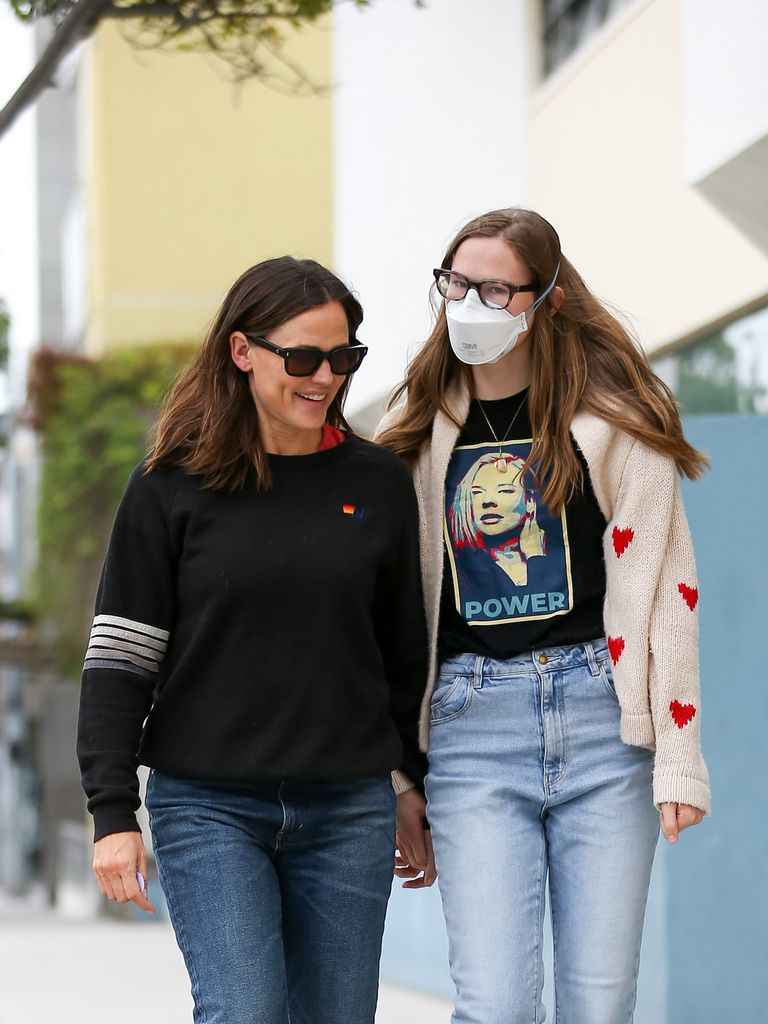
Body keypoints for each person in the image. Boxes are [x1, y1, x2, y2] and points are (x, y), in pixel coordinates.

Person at [377, 208, 710, 1023]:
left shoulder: (615, 420)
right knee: (495, 1005)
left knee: (599, 1005)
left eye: (494, 288)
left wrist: (680, 756)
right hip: (469, 725)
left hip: (604, 720)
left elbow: (670, 590)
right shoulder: (412, 429)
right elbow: (383, 613)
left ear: (546, 301)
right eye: (456, 282)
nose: (468, 304)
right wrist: (395, 775)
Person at [76, 256, 429, 1024]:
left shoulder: (376, 483)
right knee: (245, 1012)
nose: (326, 377)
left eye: (344, 358)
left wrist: (408, 781)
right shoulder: (171, 484)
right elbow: (119, 662)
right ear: (244, 352)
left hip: (348, 809)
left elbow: (402, 652)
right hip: (209, 807)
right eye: (303, 358)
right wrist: (111, 814)